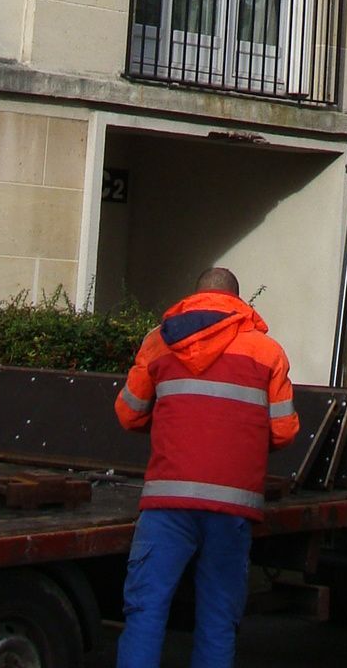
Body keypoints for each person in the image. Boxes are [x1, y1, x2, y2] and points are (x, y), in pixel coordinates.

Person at [113, 266, 299, 668]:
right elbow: (284, 431)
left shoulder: (158, 344)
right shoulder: (267, 352)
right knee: (217, 619)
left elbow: (128, 414)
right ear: (238, 302)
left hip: (167, 502)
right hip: (232, 506)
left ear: (194, 297)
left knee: (146, 612)